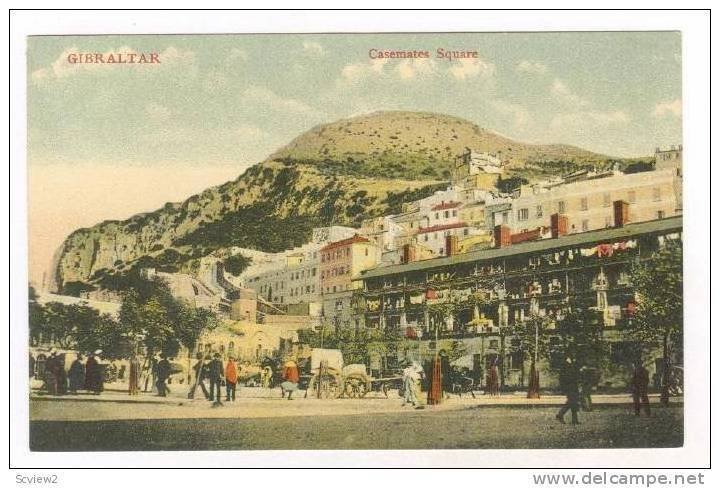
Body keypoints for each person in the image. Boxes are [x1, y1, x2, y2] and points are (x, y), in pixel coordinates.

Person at [556, 357, 581, 425]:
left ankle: (574, 420)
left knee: (573, 402)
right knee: (572, 401)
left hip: (573, 386)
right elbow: (564, 377)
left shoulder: (571, 364)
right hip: (569, 386)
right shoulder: (566, 365)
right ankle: (560, 415)